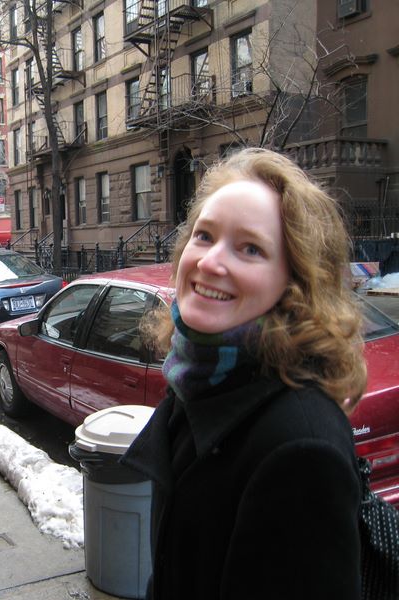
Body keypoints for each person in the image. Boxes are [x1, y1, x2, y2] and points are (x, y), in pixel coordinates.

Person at [121, 148, 366, 599]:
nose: (210, 262)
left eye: (250, 248)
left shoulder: (301, 449)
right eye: (204, 235)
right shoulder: (197, 382)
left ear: (294, 282)